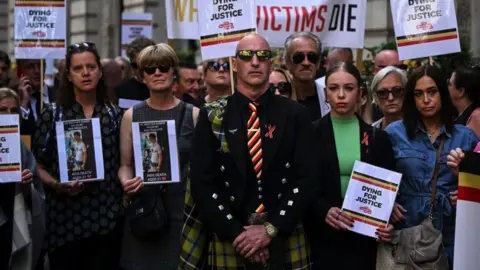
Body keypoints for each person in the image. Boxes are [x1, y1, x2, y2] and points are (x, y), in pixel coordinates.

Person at [189, 34, 318, 268]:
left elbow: (307, 177)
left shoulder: (296, 114)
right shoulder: (212, 115)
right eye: (247, 56)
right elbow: (202, 182)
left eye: (263, 55)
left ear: (271, 64)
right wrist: (238, 234)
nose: (255, 61)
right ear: (235, 65)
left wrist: (270, 230)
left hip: (284, 231)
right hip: (230, 235)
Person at [32, 42, 124, 270]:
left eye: (91, 67)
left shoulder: (114, 114)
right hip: (66, 224)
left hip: (107, 223)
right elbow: (37, 164)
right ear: (69, 75)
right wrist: (57, 184)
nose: (85, 73)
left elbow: (125, 163)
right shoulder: (53, 114)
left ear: (100, 72)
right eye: (78, 68)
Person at [385, 65, 478, 269]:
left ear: (443, 94)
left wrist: (464, 191)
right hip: (409, 231)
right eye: (419, 94)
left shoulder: (466, 136)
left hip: (452, 233)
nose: (426, 100)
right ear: (412, 98)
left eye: (432, 92)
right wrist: (387, 204)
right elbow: (379, 179)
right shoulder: (394, 133)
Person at [118, 43, 198, 269]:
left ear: (174, 72)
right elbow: (125, 165)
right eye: (150, 69)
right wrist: (127, 183)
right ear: (142, 76)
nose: (157, 73)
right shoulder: (131, 115)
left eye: (163, 67)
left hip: (183, 214)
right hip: (147, 212)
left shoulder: (193, 114)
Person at [310, 62, 395, 270]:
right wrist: (323, 210)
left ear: (361, 94)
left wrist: (387, 222)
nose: (341, 95)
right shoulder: (309, 134)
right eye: (333, 88)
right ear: (325, 94)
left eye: (348, 88)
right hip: (322, 237)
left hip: (365, 239)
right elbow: (302, 183)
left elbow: (389, 191)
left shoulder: (378, 138)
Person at [0, 87, 45, 270]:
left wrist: (27, 184)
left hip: (13, 217)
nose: (9, 114)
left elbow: (34, 192)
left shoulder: (20, 145)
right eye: (3, 109)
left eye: (14, 110)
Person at [284, 32, 328, 120]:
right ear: (288, 62)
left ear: (318, 62)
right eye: (298, 57)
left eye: (312, 57)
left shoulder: (330, 96)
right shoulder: (278, 95)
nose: (306, 63)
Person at [16, 59, 56, 137]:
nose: (37, 71)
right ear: (21, 70)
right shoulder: (14, 99)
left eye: (40, 65)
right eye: (30, 66)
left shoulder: (58, 95)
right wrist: (24, 103)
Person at [115, 37, 156, 109]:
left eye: (144, 64)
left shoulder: (164, 87)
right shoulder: (121, 89)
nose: (140, 70)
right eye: (135, 65)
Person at [448, 67, 480, 137]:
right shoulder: (453, 115)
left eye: (449, 84)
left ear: (461, 91)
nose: (447, 88)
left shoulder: (477, 117)